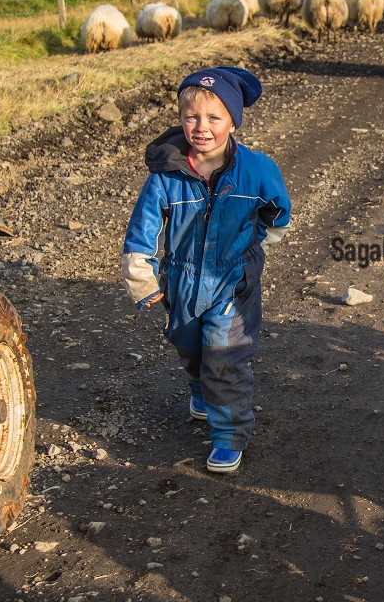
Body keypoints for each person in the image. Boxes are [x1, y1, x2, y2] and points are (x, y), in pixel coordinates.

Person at [122, 67, 291, 473]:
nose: (201, 128)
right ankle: (199, 384)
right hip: (181, 277)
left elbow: (278, 212)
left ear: (232, 121)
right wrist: (141, 273)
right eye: (191, 117)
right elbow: (143, 227)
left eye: (214, 118)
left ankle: (228, 434)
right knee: (188, 344)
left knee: (225, 355)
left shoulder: (256, 169)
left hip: (233, 279)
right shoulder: (167, 174)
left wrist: (261, 240)